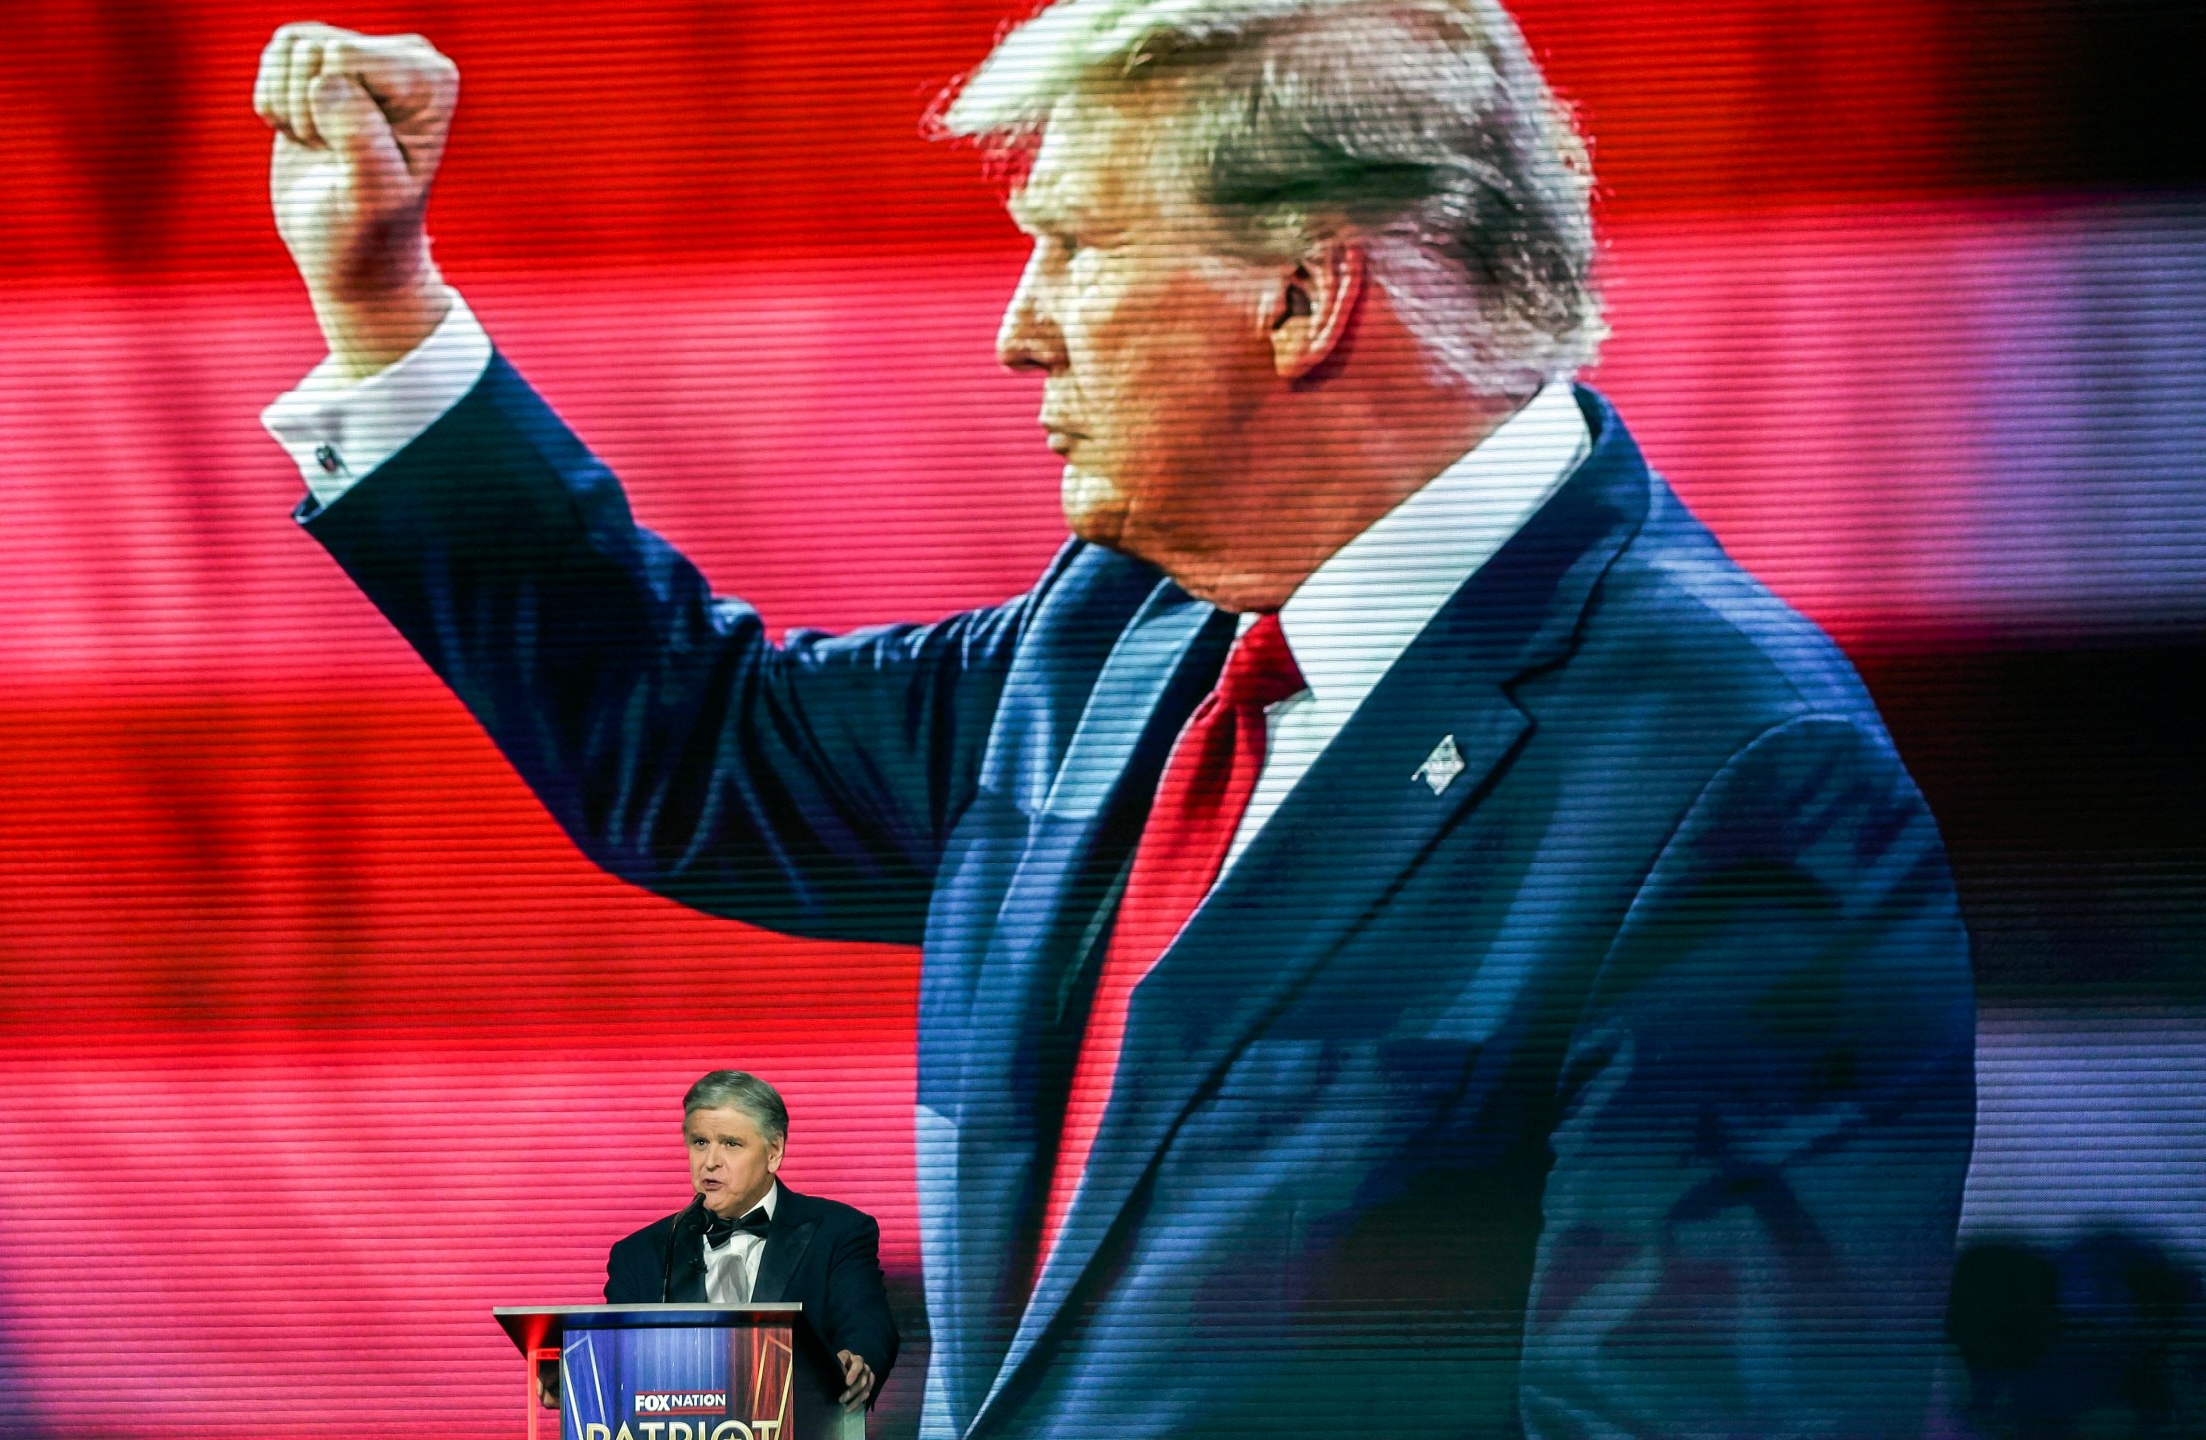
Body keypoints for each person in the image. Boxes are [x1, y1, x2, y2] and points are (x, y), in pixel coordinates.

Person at [251, 3, 1976, 1435]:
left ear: (1303, 297)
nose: (1017, 333)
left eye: (1070, 247)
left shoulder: (1743, 783)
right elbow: (702, 750)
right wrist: (382, 308)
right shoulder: (1125, 631)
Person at [595, 1072, 899, 1414]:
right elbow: (611, 1356)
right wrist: (567, 1379)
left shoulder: (838, 1232)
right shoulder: (641, 1255)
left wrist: (859, 1362)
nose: (709, 1162)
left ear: (774, 1151)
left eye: (730, 1143)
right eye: (700, 1143)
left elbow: (867, 1324)